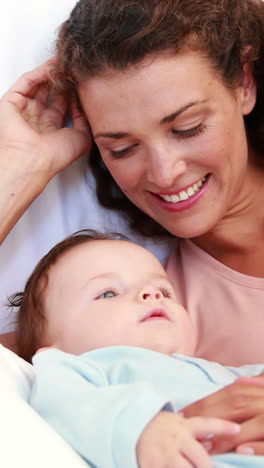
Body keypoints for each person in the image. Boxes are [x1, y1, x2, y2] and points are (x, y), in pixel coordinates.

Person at [1, 0, 264, 456]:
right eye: (121, 148)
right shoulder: (142, 319)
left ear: (243, 81)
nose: (164, 173)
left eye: (188, 127)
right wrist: (20, 170)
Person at [11, 229, 263, 468]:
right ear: (54, 351)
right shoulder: (76, 369)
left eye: (164, 290)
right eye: (109, 293)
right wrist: (140, 428)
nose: (151, 294)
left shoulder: (228, 373)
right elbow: (64, 406)